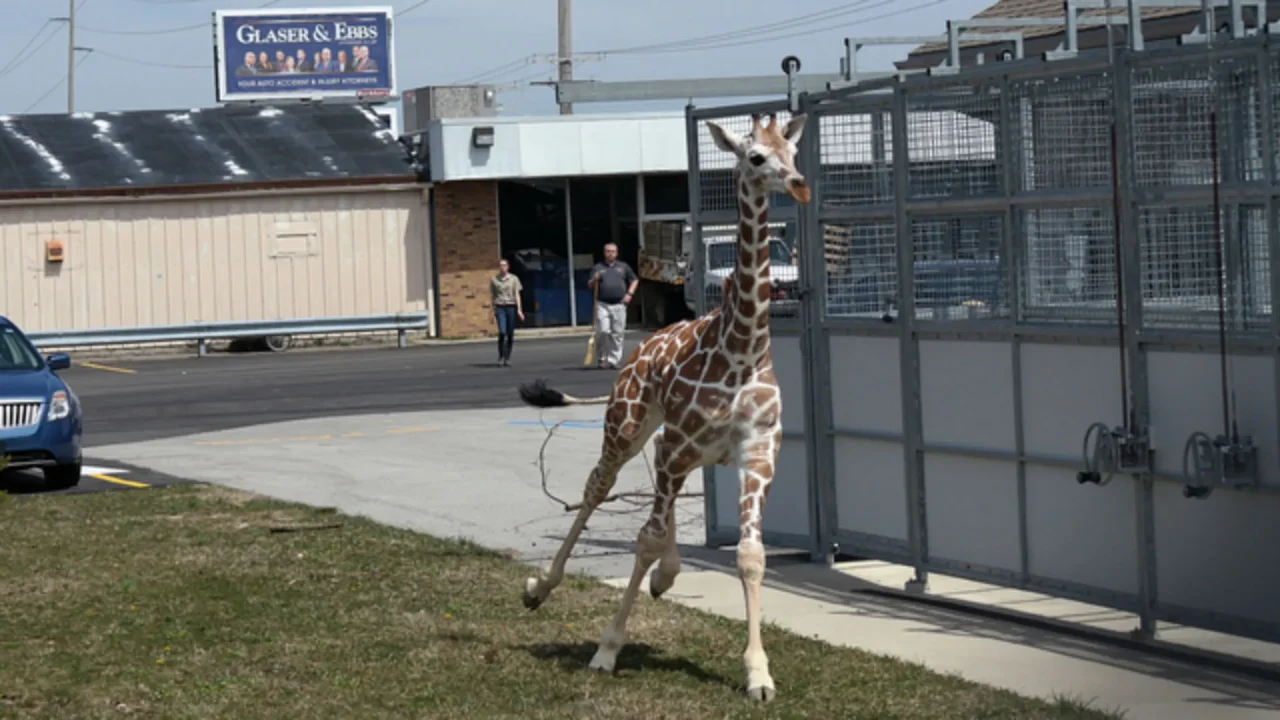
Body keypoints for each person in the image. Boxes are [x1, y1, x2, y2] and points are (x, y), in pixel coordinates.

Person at [588, 243, 638, 369]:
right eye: (608, 251)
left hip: (619, 304)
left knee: (618, 333)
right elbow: (590, 285)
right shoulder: (598, 267)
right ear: (604, 253)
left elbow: (634, 280)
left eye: (613, 251)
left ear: (617, 253)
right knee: (603, 331)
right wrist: (595, 279)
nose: (610, 253)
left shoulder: (623, 267)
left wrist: (630, 294)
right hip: (602, 304)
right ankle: (602, 358)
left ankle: (613, 360)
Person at [490, 258, 524, 367]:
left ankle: (507, 357)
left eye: (504, 265)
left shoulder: (513, 279)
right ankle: (501, 356)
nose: (502, 267)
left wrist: (519, 310)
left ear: (508, 267)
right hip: (500, 307)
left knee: (510, 333)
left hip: (511, 306)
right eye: (500, 265)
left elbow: (517, 295)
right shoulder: (494, 280)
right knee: (502, 332)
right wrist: (491, 311)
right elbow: (493, 296)